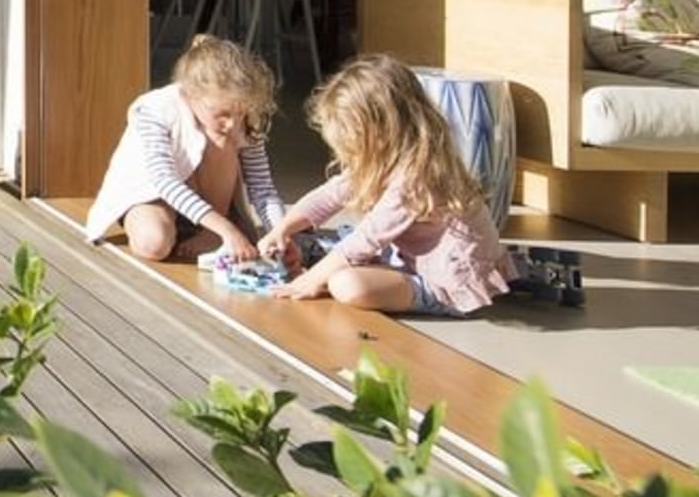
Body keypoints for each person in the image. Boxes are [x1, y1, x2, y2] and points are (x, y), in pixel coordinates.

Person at [257, 54, 513, 316]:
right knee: (315, 245)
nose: (348, 151)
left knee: (346, 284)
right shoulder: (383, 158)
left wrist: (311, 280)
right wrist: (283, 229)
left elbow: (369, 235)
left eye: (353, 139)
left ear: (383, 130)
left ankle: (366, 278)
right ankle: (352, 270)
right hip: (408, 260)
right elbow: (330, 195)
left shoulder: (418, 176)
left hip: (445, 281)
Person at [85, 34, 285, 263]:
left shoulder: (242, 122)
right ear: (190, 94)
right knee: (153, 244)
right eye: (221, 114)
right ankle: (208, 228)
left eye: (239, 113)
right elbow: (164, 180)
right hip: (153, 195)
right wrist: (227, 230)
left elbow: (262, 187)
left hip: (208, 198)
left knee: (221, 139)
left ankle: (210, 231)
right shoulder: (155, 109)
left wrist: (280, 232)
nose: (232, 123)